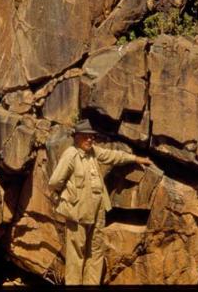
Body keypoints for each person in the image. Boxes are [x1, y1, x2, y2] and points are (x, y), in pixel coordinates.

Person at [48, 119, 153, 285]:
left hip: (97, 214)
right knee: (76, 256)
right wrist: (68, 195)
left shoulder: (94, 152)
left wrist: (135, 159)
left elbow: (113, 156)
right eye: (86, 136)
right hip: (78, 214)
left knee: (95, 253)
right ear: (76, 137)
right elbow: (54, 182)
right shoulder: (71, 154)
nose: (90, 139)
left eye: (92, 136)